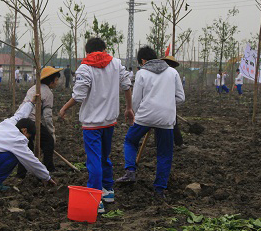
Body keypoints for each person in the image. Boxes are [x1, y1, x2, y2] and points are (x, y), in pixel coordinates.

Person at [59, 37, 133, 213]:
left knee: (93, 161)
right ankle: (108, 190)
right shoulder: (116, 64)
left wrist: (63, 108)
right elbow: (127, 85)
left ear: (87, 52)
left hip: (92, 123)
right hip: (109, 121)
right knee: (104, 156)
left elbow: (79, 96)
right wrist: (129, 108)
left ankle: (94, 196)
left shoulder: (85, 68)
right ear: (104, 49)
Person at [116, 47, 185, 200]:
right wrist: (166, 103)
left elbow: (136, 100)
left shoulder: (142, 73)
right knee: (164, 154)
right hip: (166, 119)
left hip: (145, 116)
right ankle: (159, 190)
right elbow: (180, 98)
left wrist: (133, 112)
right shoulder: (173, 72)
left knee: (130, 140)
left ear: (142, 61)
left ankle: (130, 171)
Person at [0, 101, 56, 192]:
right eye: (29, 136)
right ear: (24, 131)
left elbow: (20, 114)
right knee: (12, 156)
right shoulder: (17, 140)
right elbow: (31, 161)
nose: (28, 139)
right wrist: (46, 177)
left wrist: (31, 103)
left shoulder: (9, 124)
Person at [16, 66, 62, 179]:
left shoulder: (33, 88)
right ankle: (48, 169)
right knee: (48, 142)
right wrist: (51, 133)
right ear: (51, 81)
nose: (57, 82)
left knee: (26, 147)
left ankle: (20, 175)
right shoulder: (48, 93)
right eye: (56, 80)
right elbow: (47, 117)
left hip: (19, 119)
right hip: (30, 121)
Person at [162, 55, 184, 147]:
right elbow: (181, 97)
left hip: (166, 104)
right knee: (171, 124)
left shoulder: (172, 74)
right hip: (168, 104)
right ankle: (178, 143)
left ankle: (178, 142)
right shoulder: (172, 74)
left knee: (172, 124)